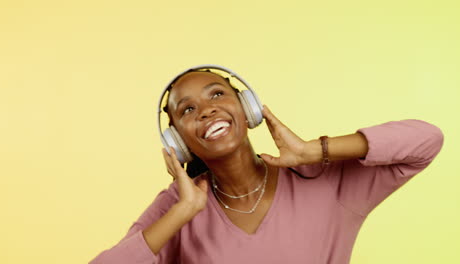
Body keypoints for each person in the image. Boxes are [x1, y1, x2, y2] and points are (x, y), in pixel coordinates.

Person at [89, 66, 444, 264]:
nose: (207, 110)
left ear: (248, 107)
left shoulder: (323, 181)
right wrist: (183, 212)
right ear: (177, 141)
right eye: (188, 110)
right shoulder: (177, 206)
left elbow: (425, 140)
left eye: (217, 94)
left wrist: (314, 150)